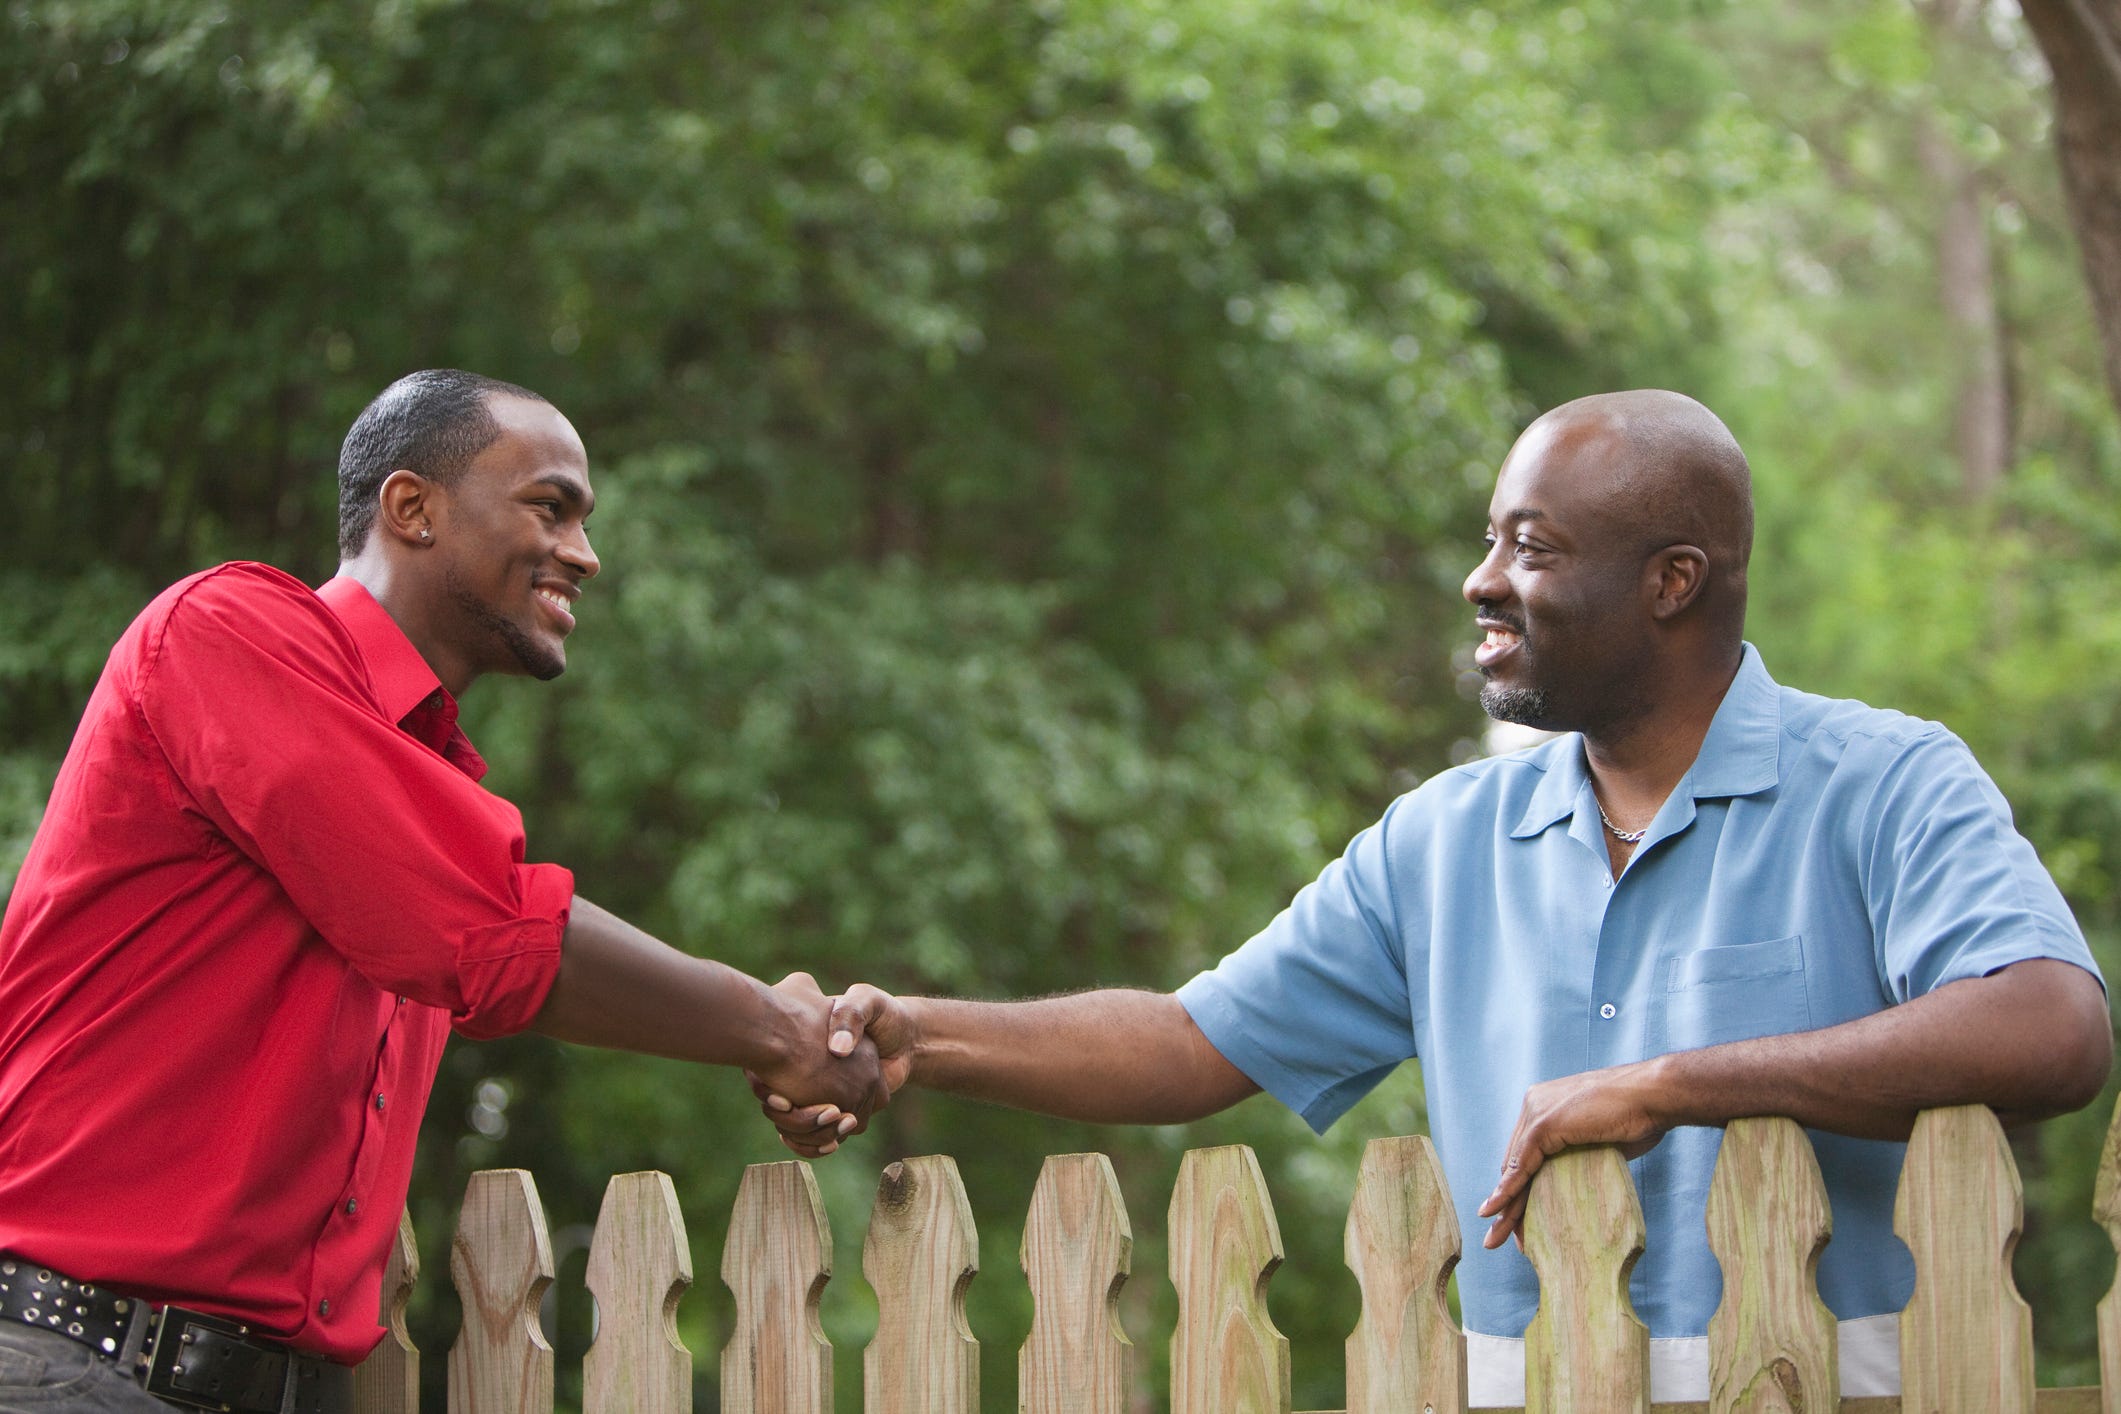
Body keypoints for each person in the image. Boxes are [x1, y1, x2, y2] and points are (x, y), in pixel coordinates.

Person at [762, 389, 2112, 1404]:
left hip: (1836, 1381)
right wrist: (919, 1037)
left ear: (1671, 581)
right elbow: (1191, 1041)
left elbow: (2049, 1029)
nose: (1481, 580)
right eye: (1489, 540)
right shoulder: (1445, 836)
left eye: (1530, 545)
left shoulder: (1883, 780)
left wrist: (1673, 1081)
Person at [0, 370, 880, 1414]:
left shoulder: (429, 787)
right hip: (74, 1363)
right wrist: (780, 1031)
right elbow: (491, 930)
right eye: (549, 506)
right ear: (411, 509)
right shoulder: (224, 633)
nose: (585, 553)